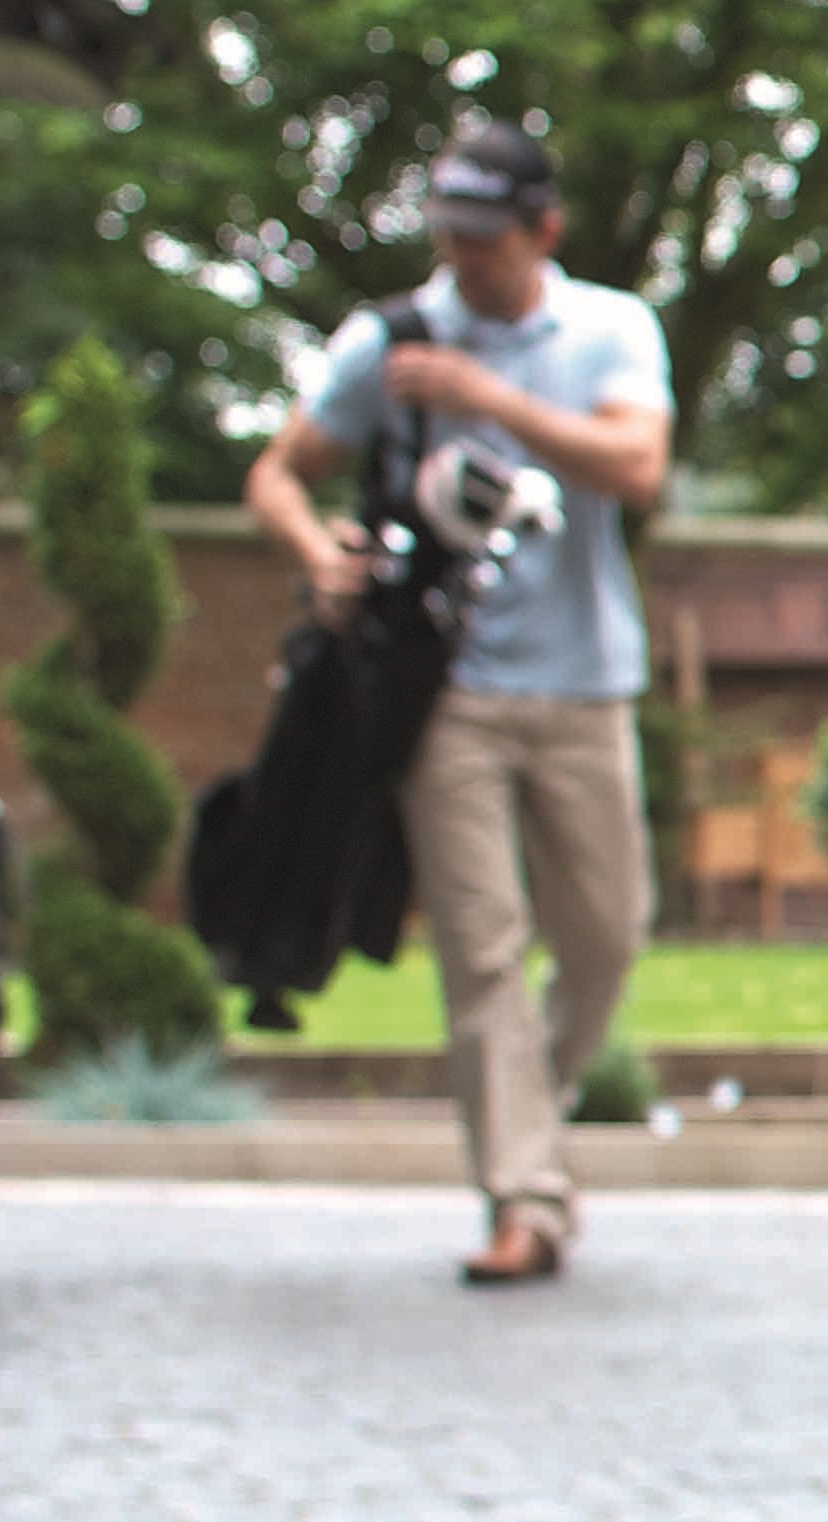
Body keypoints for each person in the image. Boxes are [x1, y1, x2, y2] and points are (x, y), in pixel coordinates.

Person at [244, 115, 671, 1285]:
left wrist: (485, 396)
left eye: (485, 239)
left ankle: (527, 1119)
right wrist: (315, 548)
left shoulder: (608, 330)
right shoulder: (391, 341)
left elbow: (637, 471)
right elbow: (278, 473)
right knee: (484, 951)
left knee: (605, 942)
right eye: (449, 236)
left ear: (544, 229)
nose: (465, 261)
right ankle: (523, 1199)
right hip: (445, 694)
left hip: (584, 684)